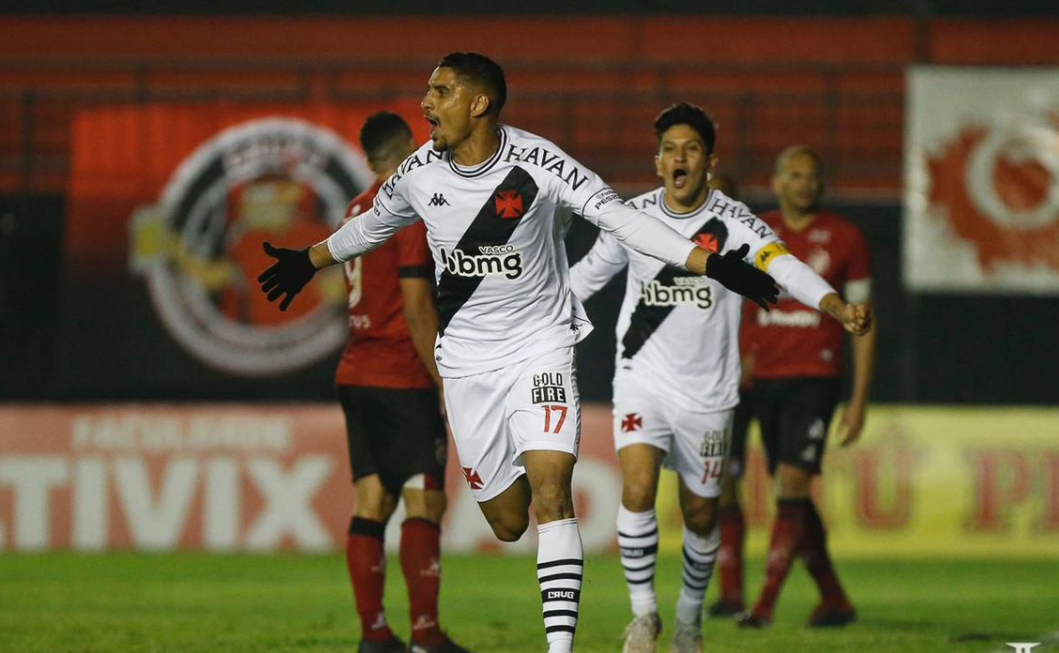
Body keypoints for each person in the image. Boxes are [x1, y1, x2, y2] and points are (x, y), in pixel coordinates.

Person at [257, 52, 783, 653]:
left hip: (541, 348)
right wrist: (309, 259)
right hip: (467, 366)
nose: (426, 103)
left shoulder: (540, 163)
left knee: (552, 493)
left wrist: (711, 262)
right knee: (509, 522)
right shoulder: (420, 172)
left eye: (441, 91)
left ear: (478, 103)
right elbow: (372, 224)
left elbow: (623, 222)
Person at [568, 105, 873, 653]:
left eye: (690, 149)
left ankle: (688, 620)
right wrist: (519, 318)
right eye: (669, 149)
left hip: (709, 394)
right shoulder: (630, 216)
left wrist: (833, 304)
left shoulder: (734, 222)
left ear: (709, 161)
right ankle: (644, 618)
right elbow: (585, 278)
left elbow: (783, 266)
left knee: (703, 511)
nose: (678, 158)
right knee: (636, 489)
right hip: (642, 379)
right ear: (657, 160)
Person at [712, 145, 877, 629]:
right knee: (763, 486)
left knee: (792, 484)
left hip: (814, 378)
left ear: (821, 184)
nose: (805, 183)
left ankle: (761, 607)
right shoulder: (757, 231)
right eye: (795, 175)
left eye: (812, 175)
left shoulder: (846, 238)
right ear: (778, 181)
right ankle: (830, 597)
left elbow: (865, 320)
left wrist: (859, 398)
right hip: (755, 379)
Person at [336, 111, 471, 653]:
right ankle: (426, 637)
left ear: (370, 162)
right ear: (413, 148)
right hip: (400, 373)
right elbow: (417, 308)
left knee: (372, 497)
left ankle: (374, 635)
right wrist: (443, 378)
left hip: (355, 370)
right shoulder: (409, 209)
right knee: (424, 499)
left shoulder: (355, 207)